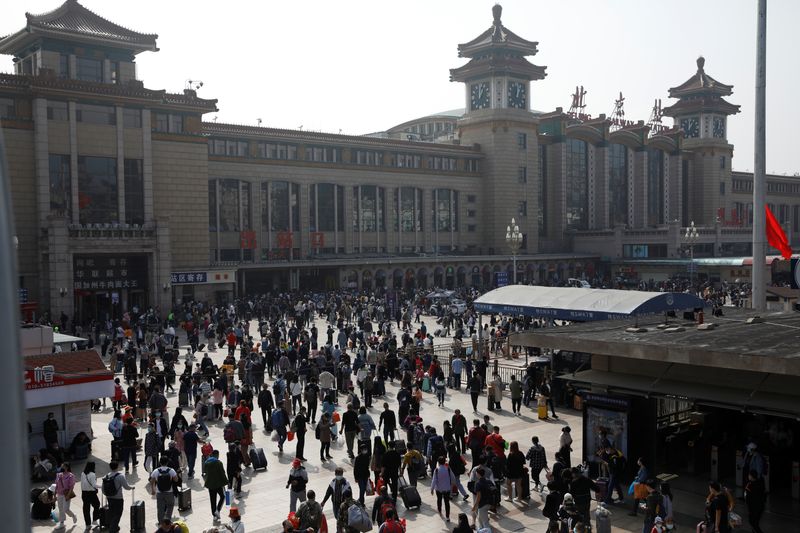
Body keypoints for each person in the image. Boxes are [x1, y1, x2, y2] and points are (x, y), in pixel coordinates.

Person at [103, 461, 133, 533]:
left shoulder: (106, 476)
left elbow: (103, 489)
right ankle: (113, 528)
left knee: (112, 512)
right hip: (118, 498)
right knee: (118, 513)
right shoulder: (120, 476)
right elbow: (126, 487)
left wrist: (107, 494)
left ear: (110, 467)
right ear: (117, 467)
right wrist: (131, 488)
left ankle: (114, 526)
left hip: (109, 498)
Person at [150, 457, 179, 523]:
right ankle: (167, 520)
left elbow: (152, 481)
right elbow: (176, 480)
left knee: (160, 507)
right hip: (169, 492)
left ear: (160, 462)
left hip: (159, 492)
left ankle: (161, 521)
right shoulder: (171, 470)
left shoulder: (156, 471)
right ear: (167, 462)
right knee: (170, 505)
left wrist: (153, 490)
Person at [203, 450, 228, 522]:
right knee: (222, 497)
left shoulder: (206, 462)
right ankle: (218, 510)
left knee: (212, 500)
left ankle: (214, 515)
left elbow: (204, 472)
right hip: (218, 484)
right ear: (217, 455)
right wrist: (226, 482)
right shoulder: (218, 463)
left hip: (210, 484)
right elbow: (222, 473)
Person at [431, 456, 457, 521]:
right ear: (444, 462)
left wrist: (432, 488)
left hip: (439, 489)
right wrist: (453, 484)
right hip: (447, 489)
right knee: (447, 502)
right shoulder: (448, 469)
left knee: (439, 500)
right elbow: (453, 477)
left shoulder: (436, 470)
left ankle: (440, 511)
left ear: (438, 462)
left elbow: (434, 480)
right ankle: (447, 516)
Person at [54, 462, 77, 529]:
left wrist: (68, 495)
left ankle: (73, 515)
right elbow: (56, 485)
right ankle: (62, 523)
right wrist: (54, 494)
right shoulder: (58, 475)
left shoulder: (71, 476)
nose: (61, 468)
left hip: (66, 494)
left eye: (63, 467)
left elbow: (71, 487)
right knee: (61, 509)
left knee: (66, 509)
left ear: (66, 467)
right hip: (59, 494)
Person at [471, 467, 493, 531]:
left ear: (478, 474)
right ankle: (480, 530)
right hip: (489, 503)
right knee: (480, 520)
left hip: (483, 504)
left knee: (485, 523)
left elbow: (478, 496)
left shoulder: (478, 483)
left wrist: (475, 506)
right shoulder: (488, 481)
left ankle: (487, 531)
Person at [80, 461, 100, 529]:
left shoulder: (83, 473)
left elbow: (82, 483)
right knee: (97, 504)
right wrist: (102, 486)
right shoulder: (92, 474)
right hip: (91, 493)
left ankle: (87, 524)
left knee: (86, 508)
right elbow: (94, 485)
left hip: (84, 493)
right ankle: (94, 519)